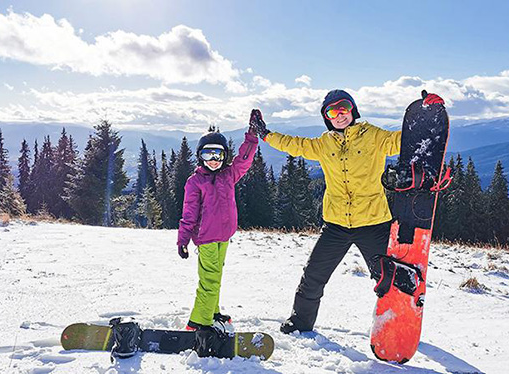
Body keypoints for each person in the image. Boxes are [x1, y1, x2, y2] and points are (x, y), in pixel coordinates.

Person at [249, 89, 443, 334]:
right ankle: (300, 323)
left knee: (388, 279)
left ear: (353, 110)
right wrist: (265, 134)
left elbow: (401, 141)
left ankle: (401, 328)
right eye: (332, 111)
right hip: (336, 226)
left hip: (373, 223)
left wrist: (427, 118)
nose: (339, 115)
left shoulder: (372, 135)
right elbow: (294, 145)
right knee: (313, 277)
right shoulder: (323, 143)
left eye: (343, 108)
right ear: (326, 117)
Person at [177, 113, 259, 354]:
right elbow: (189, 213)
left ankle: (211, 312)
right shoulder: (195, 182)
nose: (213, 160)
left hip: (224, 237)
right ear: (199, 156)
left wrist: (252, 137)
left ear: (224, 156)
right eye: (207, 154)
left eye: (218, 155)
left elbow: (243, 161)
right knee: (209, 281)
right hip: (207, 239)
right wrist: (183, 239)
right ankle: (198, 323)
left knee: (215, 277)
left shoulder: (227, 175)